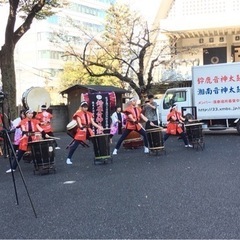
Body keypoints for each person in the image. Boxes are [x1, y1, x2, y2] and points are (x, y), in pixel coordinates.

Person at [6, 109, 47, 173]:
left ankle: (40, 166)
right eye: (29, 113)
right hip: (25, 139)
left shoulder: (35, 121)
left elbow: (39, 128)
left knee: (38, 153)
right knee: (19, 154)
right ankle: (13, 168)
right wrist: (34, 133)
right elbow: (24, 131)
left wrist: (45, 134)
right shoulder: (23, 121)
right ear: (26, 114)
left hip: (34, 139)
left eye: (32, 113)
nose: (31, 114)